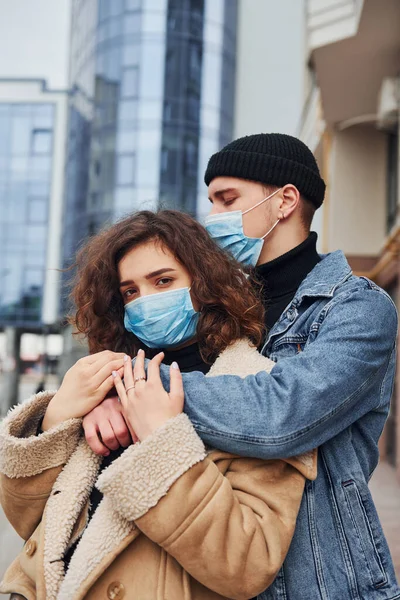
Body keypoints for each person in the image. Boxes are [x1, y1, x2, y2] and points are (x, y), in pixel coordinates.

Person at [84, 134, 399, 600]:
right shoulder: (217, 306)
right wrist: (101, 396)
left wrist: (133, 388)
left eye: (227, 200)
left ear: (285, 201)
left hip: (325, 578)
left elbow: (281, 417)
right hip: (217, 570)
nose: (214, 217)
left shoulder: (358, 308)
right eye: (209, 202)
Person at [0, 210, 317, 600]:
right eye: (130, 291)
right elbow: (28, 522)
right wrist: (57, 416)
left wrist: (162, 441)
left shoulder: (257, 391)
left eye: (163, 280)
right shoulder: (106, 377)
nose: (145, 301)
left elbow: (247, 565)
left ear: (205, 284)